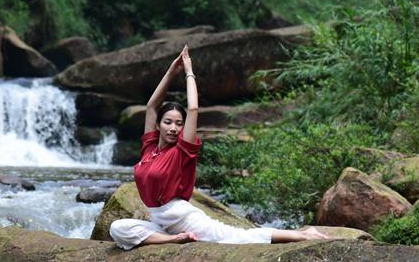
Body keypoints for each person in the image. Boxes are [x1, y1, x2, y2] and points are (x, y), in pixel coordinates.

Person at [109, 46, 328, 249]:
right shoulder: (149, 148)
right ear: (158, 125)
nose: (174, 128)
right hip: (161, 223)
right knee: (117, 228)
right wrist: (171, 71)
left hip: (181, 216)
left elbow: (193, 108)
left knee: (238, 237)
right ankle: (173, 240)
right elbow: (151, 106)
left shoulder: (181, 151)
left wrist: (188, 71)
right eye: (168, 122)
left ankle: (302, 234)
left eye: (179, 124)